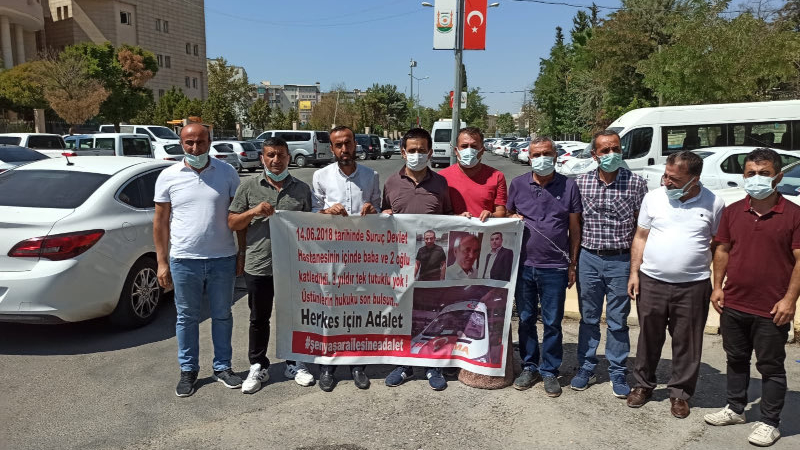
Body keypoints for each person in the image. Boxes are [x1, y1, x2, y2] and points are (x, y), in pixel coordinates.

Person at [704, 148, 800, 447]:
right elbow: (722, 250)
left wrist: (789, 300)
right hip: (734, 302)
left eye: (764, 173)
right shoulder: (733, 212)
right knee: (736, 359)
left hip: (772, 308)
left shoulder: (794, 214)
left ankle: (770, 422)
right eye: (751, 174)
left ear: (778, 177)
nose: (756, 179)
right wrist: (717, 286)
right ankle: (735, 408)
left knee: (770, 366)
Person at [626, 150, 725, 418]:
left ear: (695, 179)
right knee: (648, 337)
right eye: (666, 176)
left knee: (687, 342)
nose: (666, 182)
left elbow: (719, 246)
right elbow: (640, 237)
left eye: (675, 179)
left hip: (693, 285)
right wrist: (634, 273)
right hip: (652, 281)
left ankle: (680, 393)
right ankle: (643, 385)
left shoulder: (714, 203)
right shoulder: (653, 198)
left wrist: (717, 284)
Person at [153, 124, 243, 397]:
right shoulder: (168, 176)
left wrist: (241, 253)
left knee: (222, 315)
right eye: (189, 143)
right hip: (184, 260)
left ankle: (223, 367)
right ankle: (188, 370)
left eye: (200, 142)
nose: (195, 148)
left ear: (210, 142)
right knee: (186, 318)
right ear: (181, 143)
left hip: (222, 258)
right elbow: (160, 222)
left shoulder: (227, 173)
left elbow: (238, 216)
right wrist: (162, 262)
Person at [228, 137, 315, 394]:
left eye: (281, 155)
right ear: (262, 158)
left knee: (293, 316)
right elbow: (232, 222)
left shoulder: (301, 189)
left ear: (288, 157)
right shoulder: (248, 187)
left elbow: (311, 225)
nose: (276, 160)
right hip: (259, 264)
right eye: (270, 155)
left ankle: (294, 362)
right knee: (258, 318)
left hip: (292, 264)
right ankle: (258, 365)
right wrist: (252, 212)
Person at [571, 130, 648, 398]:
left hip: (621, 260)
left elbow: (642, 228)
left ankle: (617, 371)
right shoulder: (581, 183)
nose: (611, 154)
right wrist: (573, 262)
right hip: (589, 258)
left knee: (617, 320)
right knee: (589, 318)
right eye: (605, 150)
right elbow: (575, 225)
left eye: (615, 148)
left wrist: (636, 268)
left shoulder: (636, 183)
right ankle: (586, 367)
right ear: (595, 155)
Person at [507, 136, 582, 397]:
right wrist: (511, 217)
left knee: (552, 321)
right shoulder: (517, 184)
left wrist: (573, 263)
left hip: (555, 266)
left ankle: (550, 369)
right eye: (536, 155)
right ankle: (529, 366)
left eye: (546, 154)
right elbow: (506, 216)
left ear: (555, 156)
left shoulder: (569, 186)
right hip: (523, 265)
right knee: (526, 318)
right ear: (529, 158)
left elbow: (575, 227)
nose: (542, 159)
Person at [382, 127, 453, 391]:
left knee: (432, 315)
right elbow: (382, 215)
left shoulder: (441, 184)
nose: (417, 155)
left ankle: (433, 365)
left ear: (430, 153)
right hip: (400, 265)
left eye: (422, 150)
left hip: (431, 272)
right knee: (403, 314)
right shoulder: (391, 183)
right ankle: (403, 364)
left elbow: (449, 217)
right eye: (412, 150)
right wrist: (383, 214)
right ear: (403, 152)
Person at [311, 125, 380, 392]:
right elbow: (312, 215)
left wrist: (373, 210)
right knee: (329, 309)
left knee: (358, 309)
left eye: (348, 143)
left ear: (355, 144)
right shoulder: (321, 176)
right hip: (330, 256)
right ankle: (327, 366)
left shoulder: (371, 175)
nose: (344, 149)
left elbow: (379, 210)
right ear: (331, 148)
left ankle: (357, 364)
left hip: (361, 257)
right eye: (338, 145)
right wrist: (326, 212)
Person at [439, 127, 507, 222]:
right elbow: (437, 212)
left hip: (484, 231)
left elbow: (501, 211)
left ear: (482, 150)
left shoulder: (497, 176)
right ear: (456, 151)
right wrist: (456, 218)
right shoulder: (441, 177)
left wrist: (492, 216)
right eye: (464, 146)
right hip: (454, 231)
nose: (469, 150)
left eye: (474, 146)